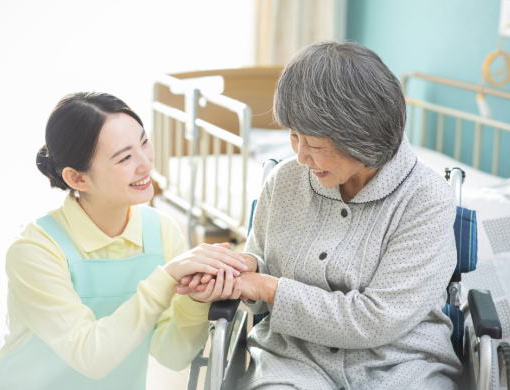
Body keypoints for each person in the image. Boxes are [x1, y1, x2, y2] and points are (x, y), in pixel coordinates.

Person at [178, 42, 463, 389]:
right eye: (293, 136)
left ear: (361, 136)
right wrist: (241, 274)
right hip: (294, 361)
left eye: (313, 144)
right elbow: (261, 275)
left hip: (399, 365)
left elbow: (376, 321)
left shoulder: (426, 199)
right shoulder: (284, 181)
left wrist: (269, 288)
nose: (299, 157)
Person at [0, 92, 247, 390]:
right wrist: (166, 279)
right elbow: (90, 356)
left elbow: (172, 354)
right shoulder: (35, 249)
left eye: (144, 142)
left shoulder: (161, 231)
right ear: (78, 179)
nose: (146, 164)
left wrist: (196, 302)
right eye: (125, 157)